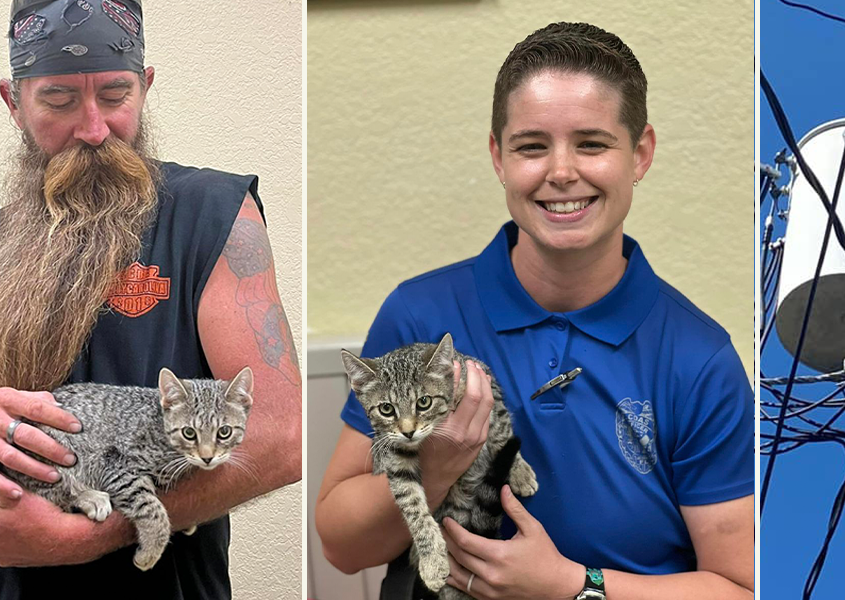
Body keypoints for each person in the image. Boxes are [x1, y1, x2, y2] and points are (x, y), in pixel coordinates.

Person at [315, 22, 753, 600]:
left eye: (592, 144)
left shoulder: (699, 359)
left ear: (640, 154)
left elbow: (740, 587)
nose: (561, 171)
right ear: (498, 156)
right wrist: (438, 463)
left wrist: (574, 587)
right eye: (531, 146)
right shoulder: (420, 314)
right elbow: (342, 548)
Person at [0, 1, 302, 598]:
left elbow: (284, 434)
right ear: (15, 102)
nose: (93, 129)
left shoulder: (212, 217)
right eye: (59, 101)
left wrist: (98, 531)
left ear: (144, 87)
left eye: (115, 96)